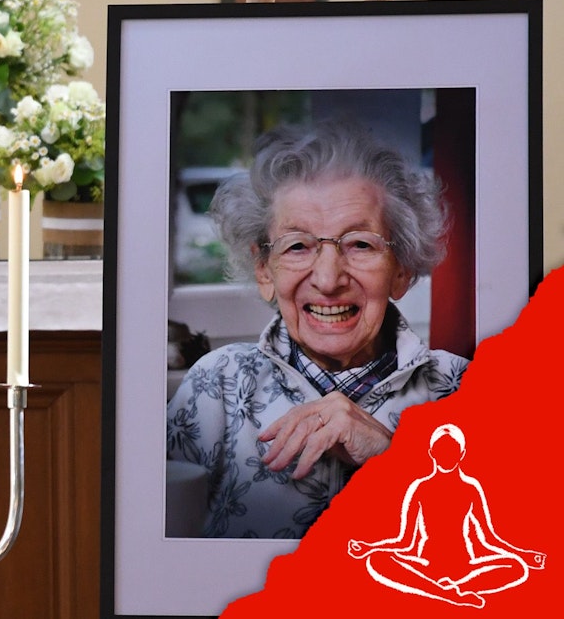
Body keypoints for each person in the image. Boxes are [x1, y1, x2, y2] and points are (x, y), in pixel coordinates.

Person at [166, 122, 468, 538]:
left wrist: (393, 457)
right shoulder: (217, 385)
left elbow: (506, 554)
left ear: (402, 269)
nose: (328, 279)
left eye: (361, 244)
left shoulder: (461, 391)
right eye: (297, 246)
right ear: (263, 270)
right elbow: (159, 556)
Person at [349, 424, 545, 608]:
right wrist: (369, 548)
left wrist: (524, 556)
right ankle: (446, 594)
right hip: (427, 565)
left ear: (461, 454)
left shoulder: (470, 490)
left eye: (451, 450)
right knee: (377, 560)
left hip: (463, 566)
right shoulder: (421, 488)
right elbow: (406, 542)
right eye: (441, 450)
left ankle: (454, 590)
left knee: (516, 567)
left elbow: (488, 539)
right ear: (432, 453)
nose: (446, 456)